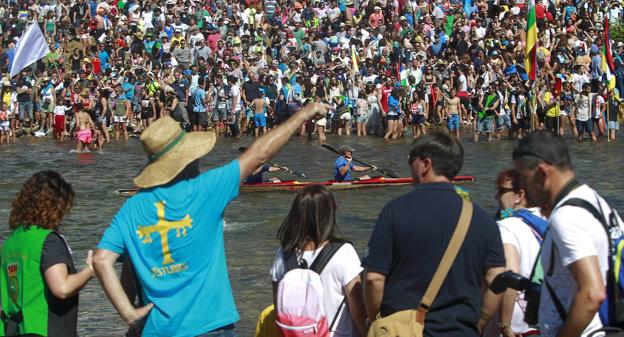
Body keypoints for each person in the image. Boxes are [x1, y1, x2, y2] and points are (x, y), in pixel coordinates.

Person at [93, 102, 329, 337]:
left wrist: (128, 313)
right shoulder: (207, 189)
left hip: (157, 330)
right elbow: (260, 154)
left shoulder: (131, 208)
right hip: (210, 326)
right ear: (187, 159)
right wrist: (303, 114)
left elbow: (102, 260)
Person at [363, 131, 506, 336]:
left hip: (403, 330)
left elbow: (373, 279)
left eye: (411, 160)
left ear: (425, 164)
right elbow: (497, 279)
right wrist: (479, 323)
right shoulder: (483, 219)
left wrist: (377, 319)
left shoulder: (394, 211)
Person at [513, 130, 620, 337]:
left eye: (523, 178)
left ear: (542, 173)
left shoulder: (566, 217)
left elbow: (592, 293)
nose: (523, 187)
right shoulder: (595, 201)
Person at [0, 171, 95, 336]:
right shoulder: (48, 240)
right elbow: (62, 288)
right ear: (55, 206)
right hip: (44, 329)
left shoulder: (11, 241)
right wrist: (90, 270)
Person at [270, 185, 367, 337]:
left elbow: (279, 309)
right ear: (328, 214)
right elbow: (358, 312)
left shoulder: (283, 254)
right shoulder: (344, 252)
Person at [493, 169, 544, 337]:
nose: (496, 196)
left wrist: (505, 326)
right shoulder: (548, 221)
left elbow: (510, 275)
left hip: (517, 323)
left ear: (519, 195)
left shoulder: (507, 227)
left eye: (501, 191)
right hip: (544, 318)